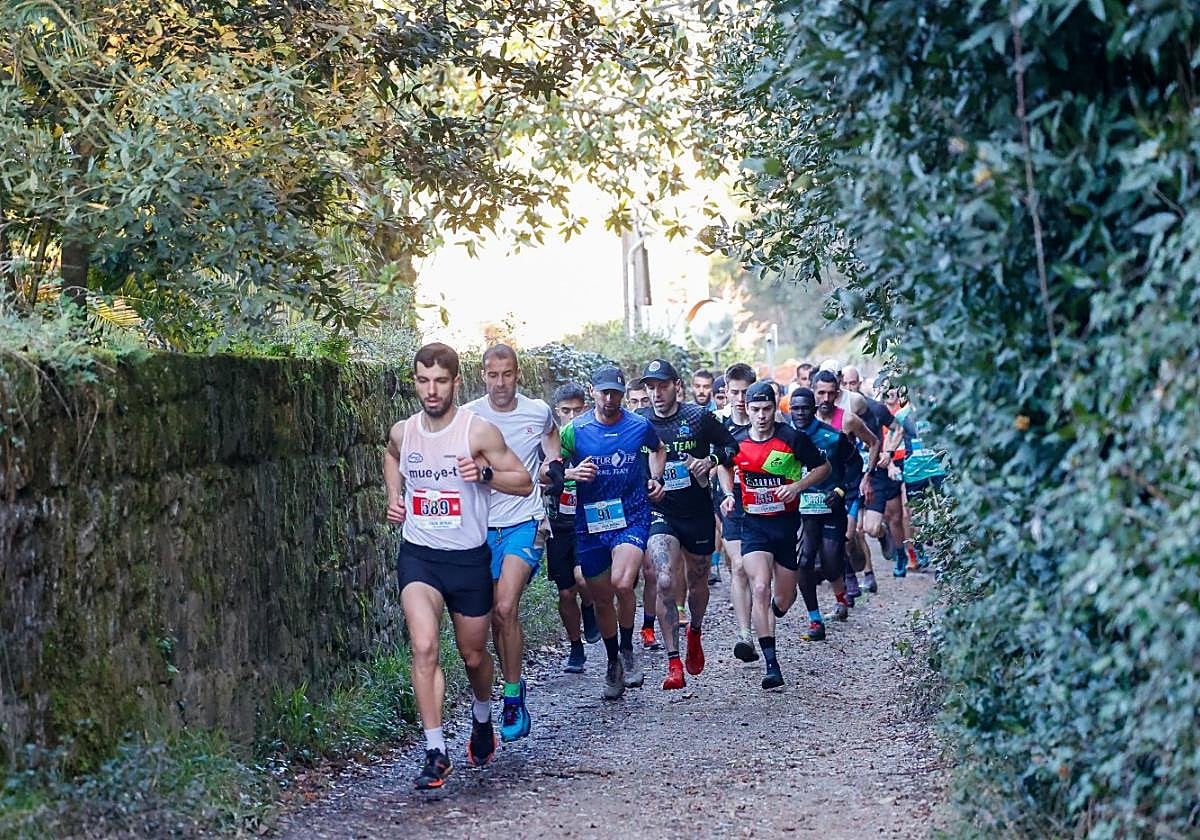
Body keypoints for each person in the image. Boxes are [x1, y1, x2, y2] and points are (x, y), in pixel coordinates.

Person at [384, 343, 533, 790]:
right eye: (423, 381)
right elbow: (391, 457)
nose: (431, 391)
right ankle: (435, 751)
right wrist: (394, 497)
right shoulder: (403, 432)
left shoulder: (478, 432)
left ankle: (483, 715)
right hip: (420, 557)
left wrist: (484, 475)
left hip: (468, 559)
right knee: (425, 647)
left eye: (441, 381)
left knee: (472, 655)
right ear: (414, 382)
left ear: (455, 383)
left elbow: (524, 483)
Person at [464, 345, 555, 743]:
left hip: (524, 522)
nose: (500, 383)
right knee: (482, 620)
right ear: (482, 375)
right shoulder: (469, 417)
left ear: (518, 374)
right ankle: (489, 698)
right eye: (492, 375)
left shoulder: (537, 411)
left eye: (507, 374)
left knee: (505, 608)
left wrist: (553, 465)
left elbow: (552, 442)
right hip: (479, 529)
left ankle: (514, 695)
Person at [560, 365, 667, 699]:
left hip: (632, 515)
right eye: (604, 392)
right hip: (590, 522)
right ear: (593, 391)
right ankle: (612, 661)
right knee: (602, 596)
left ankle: (628, 648)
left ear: (622, 393)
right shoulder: (574, 431)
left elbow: (659, 448)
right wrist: (571, 472)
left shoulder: (639, 425)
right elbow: (551, 468)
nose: (609, 399)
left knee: (623, 583)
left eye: (615, 393)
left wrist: (656, 477)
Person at [718, 382, 830, 690]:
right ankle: (771, 665)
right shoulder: (736, 441)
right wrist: (729, 493)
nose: (761, 416)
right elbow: (723, 468)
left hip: (785, 527)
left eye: (767, 409)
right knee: (759, 587)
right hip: (753, 527)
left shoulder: (792, 438)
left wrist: (796, 487)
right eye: (755, 410)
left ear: (775, 407)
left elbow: (823, 468)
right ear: (747, 409)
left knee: (783, 598)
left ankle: (771, 613)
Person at [638, 359, 739, 690]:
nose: (656, 393)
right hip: (661, 512)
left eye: (662, 386)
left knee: (698, 581)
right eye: (651, 387)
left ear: (676, 386)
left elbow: (731, 447)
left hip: (696, 512)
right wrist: (646, 483)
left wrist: (708, 462)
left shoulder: (697, 416)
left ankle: (695, 628)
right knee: (664, 578)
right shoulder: (639, 423)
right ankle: (673, 663)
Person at [787, 387, 859, 640]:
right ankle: (815, 620)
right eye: (795, 408)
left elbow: (855, 465)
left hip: (830, 507)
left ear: (814, 410)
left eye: (805, 408)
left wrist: (841, 490)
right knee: (804, 561)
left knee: (830, 562)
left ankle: (841, 598)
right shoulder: (785, 436)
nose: (799, 413)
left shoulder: (832, 437)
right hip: (800, 511)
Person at [542, 383, 601, 673]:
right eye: (566, 411)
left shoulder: (592, 439)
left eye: (578, 410)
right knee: (565, 593)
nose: (572, 416)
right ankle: (575, 648)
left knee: (583, 578)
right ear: (557, 412)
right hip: (558, 524)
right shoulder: (549, 443)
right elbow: (539, 477)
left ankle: (589, 608)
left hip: (587, 522)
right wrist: (565, 474)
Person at [811, 370, 880, 596]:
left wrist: (868, 475)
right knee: (826, 540)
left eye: (831, 394)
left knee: (848, 537)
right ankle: (847, 578)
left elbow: (874, 442)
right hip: (820, 488)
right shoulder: (806, 421)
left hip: (848, 485)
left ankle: (858, 573)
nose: (825, 399)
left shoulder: (848, 419)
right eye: (821, 393)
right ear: (814, 392)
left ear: (837, 393)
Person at [718, 363, 756, 661]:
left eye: (745, 392)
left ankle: (767, 613)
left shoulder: (767, 421)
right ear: (726, 393)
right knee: (739, 566)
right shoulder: (717, 425)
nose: (740, 398)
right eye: (735, 392)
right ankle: (745, 635)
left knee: (762, 576)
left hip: (765, 505)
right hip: (732, 504)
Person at [623, 379, 661, 648]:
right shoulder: (620, 429)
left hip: (653, 506)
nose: (639, 407)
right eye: (634, 402)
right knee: (627, 577)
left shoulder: (653, 429)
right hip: (623, 509)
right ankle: (622, 625)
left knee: (651, 570)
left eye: (643, 401)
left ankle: (648, 627)